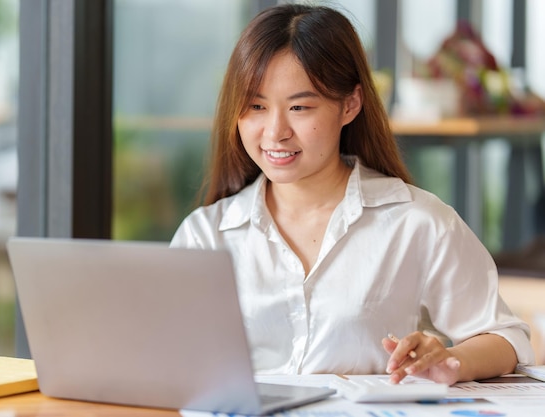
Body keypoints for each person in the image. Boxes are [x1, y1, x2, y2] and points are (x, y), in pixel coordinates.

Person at [170, 4, 534, 385]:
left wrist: (451, 360)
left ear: (350, 104)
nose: (275, 131)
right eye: (256, 106)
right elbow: (161, 353)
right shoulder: (206, 234)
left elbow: (504, 337)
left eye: (299, 107)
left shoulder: (417, 221)